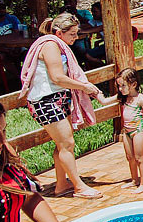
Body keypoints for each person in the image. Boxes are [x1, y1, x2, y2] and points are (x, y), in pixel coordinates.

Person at [19, 13, 103, 198]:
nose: (76, 38)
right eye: (72, 34)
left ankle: (61, 185)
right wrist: (84, 86)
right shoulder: (50, 46)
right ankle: (79, 187)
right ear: (59, 33)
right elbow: (57, 77)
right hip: (45, 101)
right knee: (67, 143)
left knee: (62, 144)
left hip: (58, 98)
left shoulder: (58, 45)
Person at [97, 68, 143, 193]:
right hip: (127, 132)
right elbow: (104, 102)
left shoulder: (140, 99)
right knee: (130, 157)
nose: (120, 89)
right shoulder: (122, 97)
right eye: (119, 86)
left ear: (133, 84)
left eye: (123, 86)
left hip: (138, 131)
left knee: (139, 158)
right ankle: (134, 180)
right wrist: (96, 92)